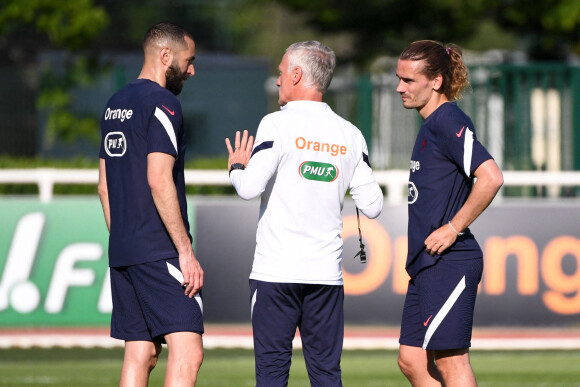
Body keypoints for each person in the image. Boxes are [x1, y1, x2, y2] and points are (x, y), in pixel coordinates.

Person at [225, 41, 383, 386]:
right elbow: (373, 205)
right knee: (326, 375)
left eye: (281, 73)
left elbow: (248, 188)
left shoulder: (276, 124)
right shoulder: (351, 134)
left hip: (275, 273)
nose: (278, 81)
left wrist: (236, 166)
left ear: (296, 74)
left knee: (271, 374)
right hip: (325, 276)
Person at [97, 21, 204, 386]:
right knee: (188, 350)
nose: (191, 70)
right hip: (158, 250)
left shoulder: (115, 104)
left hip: (124, 249)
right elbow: (159, 179)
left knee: (141, 352)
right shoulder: (164, 104)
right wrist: (185, 251)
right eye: (187, 61)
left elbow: (104, 188)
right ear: (165, 56)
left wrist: (125, 239)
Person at [395, 40, 504, 387]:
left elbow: (491, 177)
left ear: (436, 82)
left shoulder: (447, 120)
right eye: (399, 78)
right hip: (427, 263)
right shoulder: (429, 124)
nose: (400, 87)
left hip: (451, 261)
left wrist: (453, 228)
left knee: (451, 362)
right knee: (411, 361)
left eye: (409, 80)